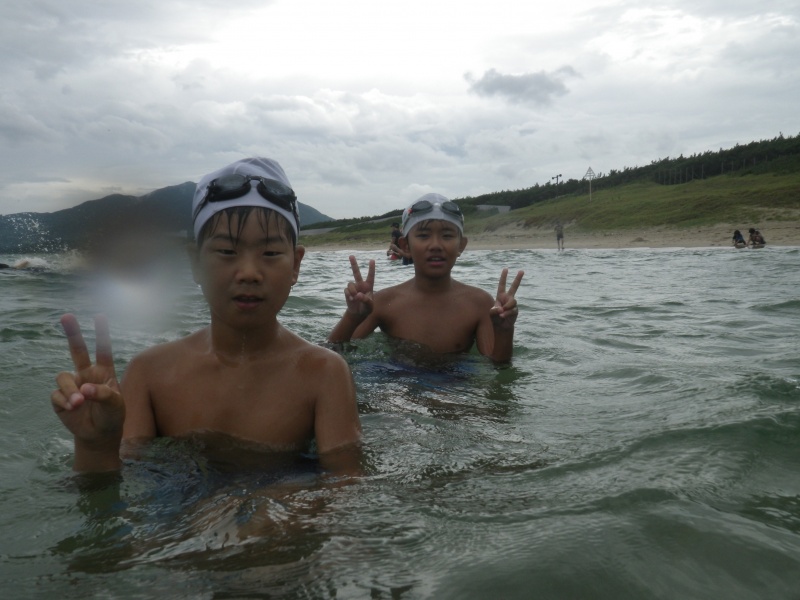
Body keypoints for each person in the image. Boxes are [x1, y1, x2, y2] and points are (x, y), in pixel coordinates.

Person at [50, 158, 362, 475]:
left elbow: (346, 489)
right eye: (227, 251)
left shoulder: (323, 374)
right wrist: (96, 446)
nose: (249, 273)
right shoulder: (149, 374)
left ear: (295, 264)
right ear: (195, 263)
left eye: (270, 253)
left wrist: (265, 505)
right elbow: (122, 495)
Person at [328, 193, 524, 363]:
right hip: (397, 380)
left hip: (455, 383)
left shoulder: (479, 303)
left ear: (461, 246)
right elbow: (334, 355)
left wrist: (504, 331)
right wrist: (352, 316)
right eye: (423, 236)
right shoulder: (383, 302)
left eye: (447, 236)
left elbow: (496, 366)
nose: (435, 245)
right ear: (405, 246)